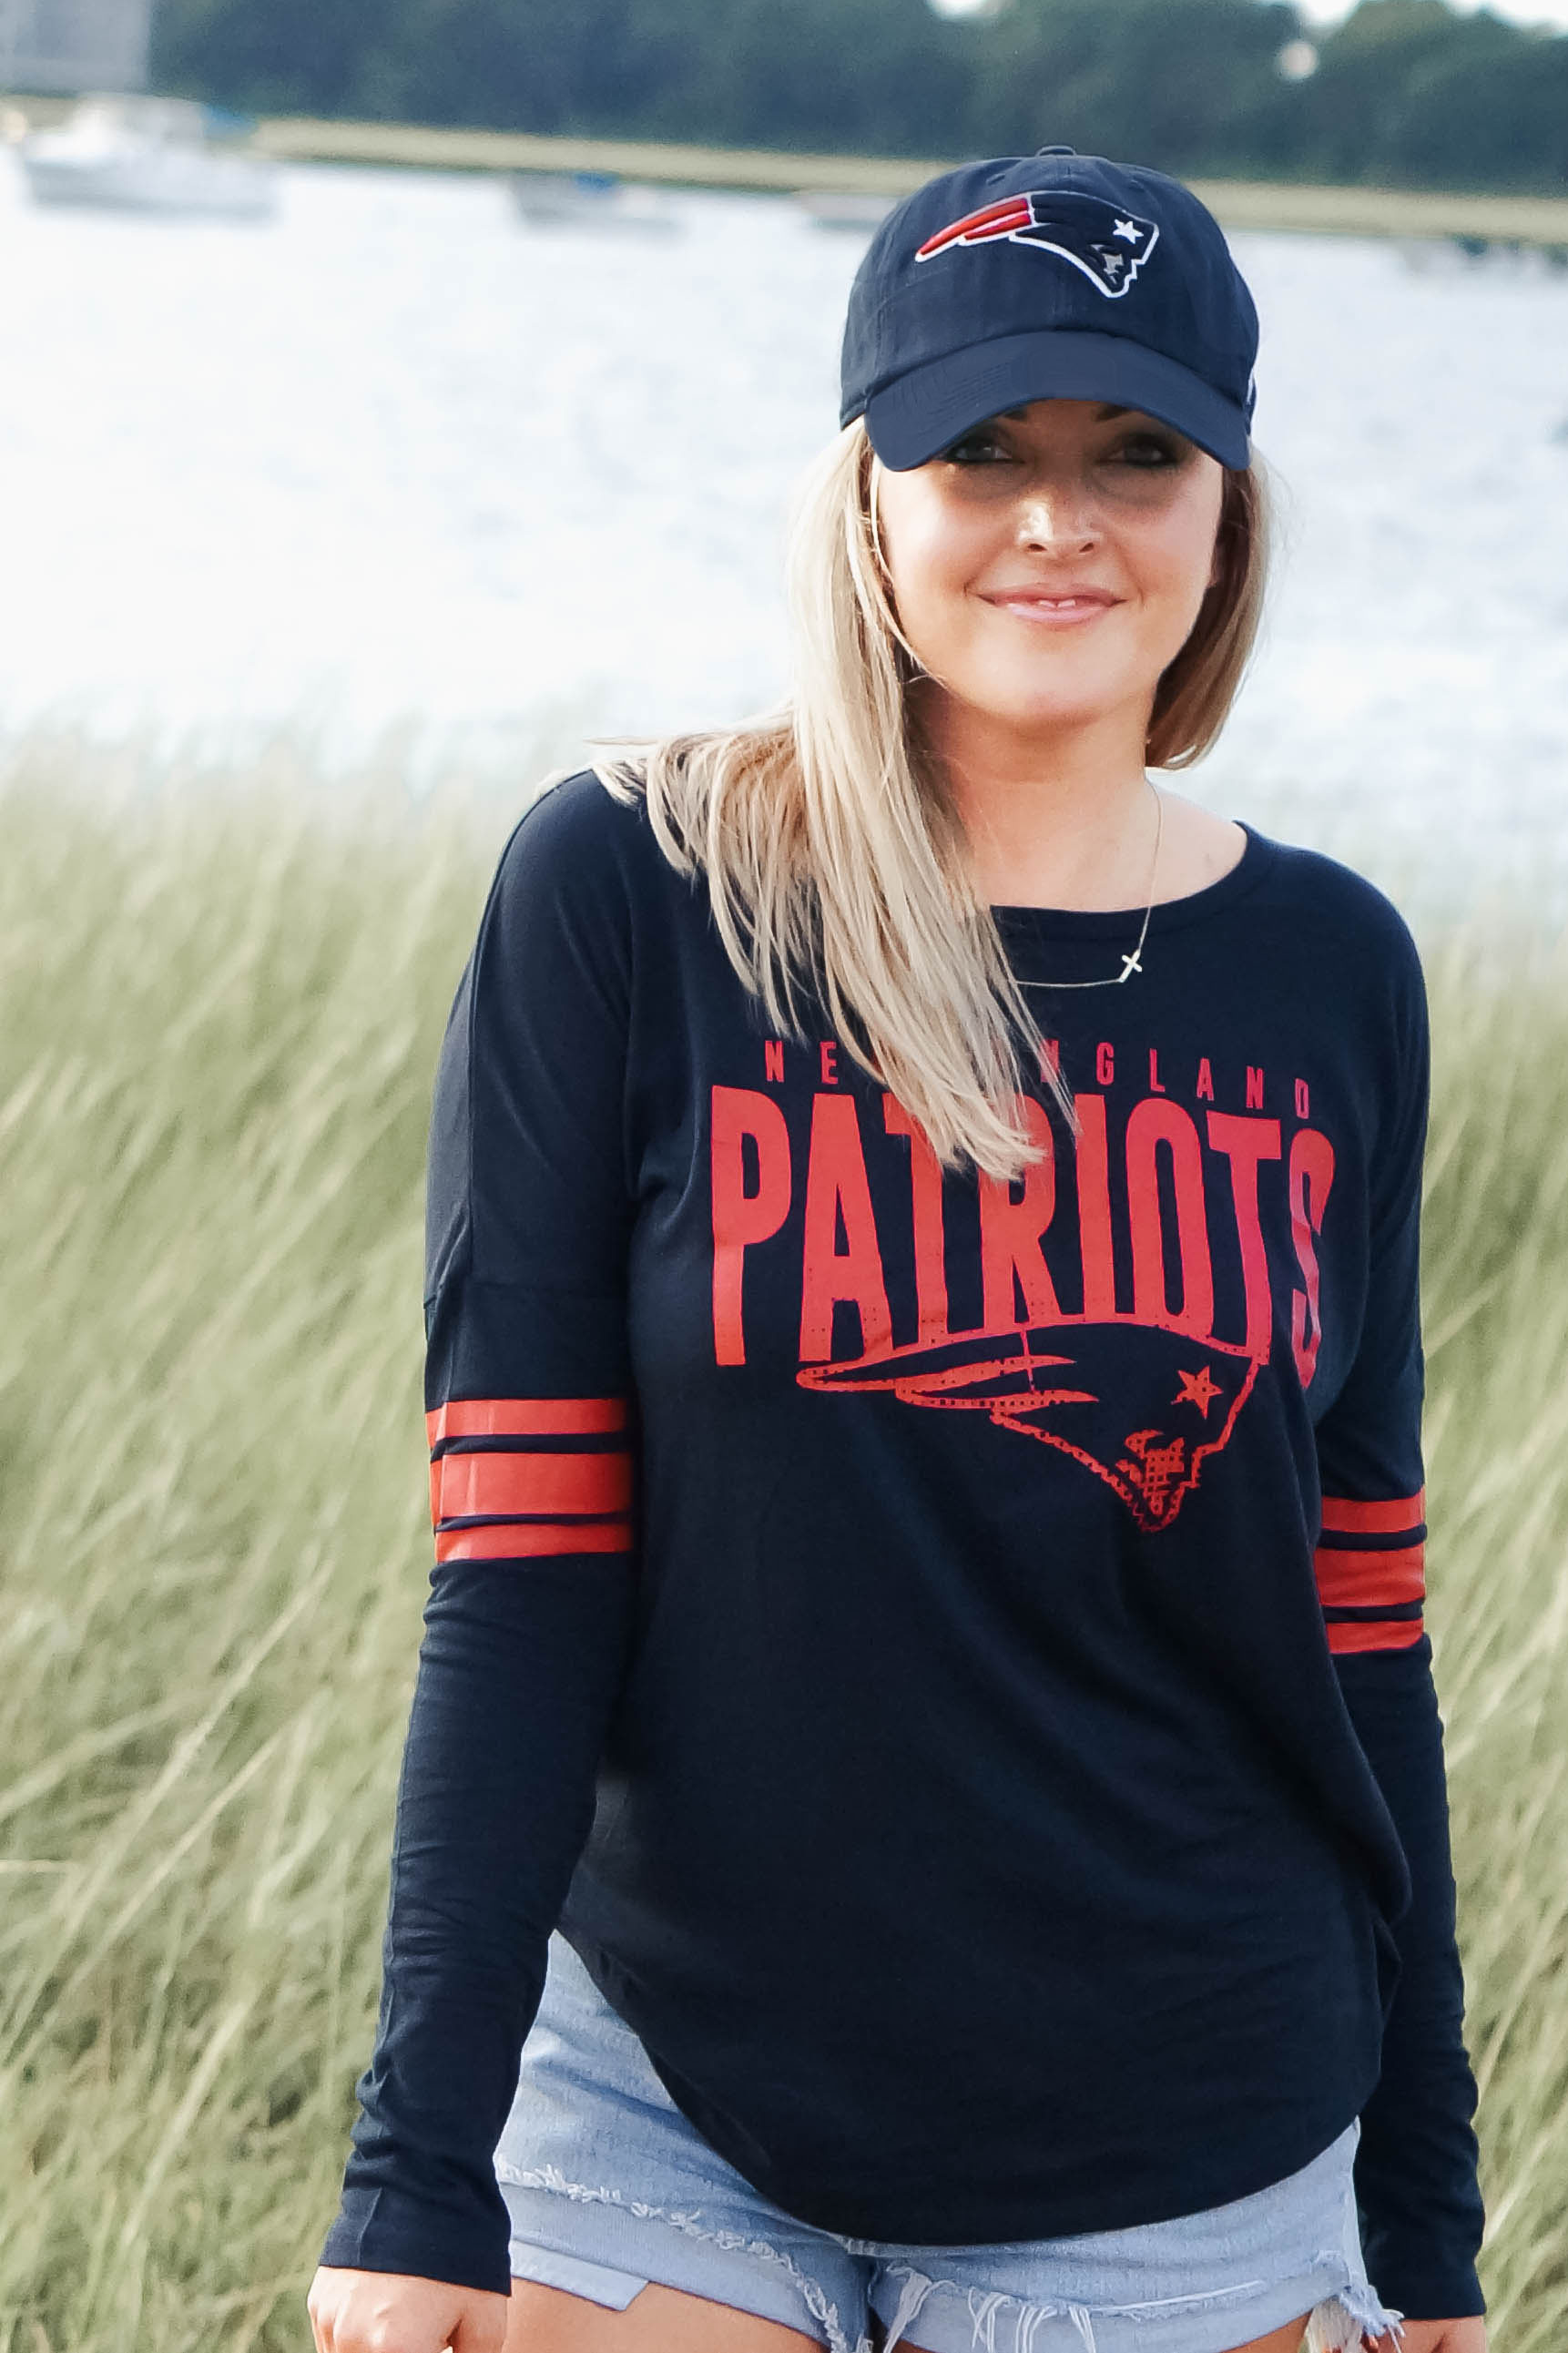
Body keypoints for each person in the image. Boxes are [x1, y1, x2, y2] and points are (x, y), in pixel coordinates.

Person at [308, 149, 1487, 2353]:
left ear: (1227, 509)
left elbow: (1361, 1621)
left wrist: (1424, 2211)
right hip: (670, 2088)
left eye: (1136, 453)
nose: (1059, 519)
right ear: (868, 501)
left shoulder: (1330, 969)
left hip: (1195, 2147)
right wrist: (417, 2164)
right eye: (985, 450)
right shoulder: (638, 892)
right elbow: (523, 1550)